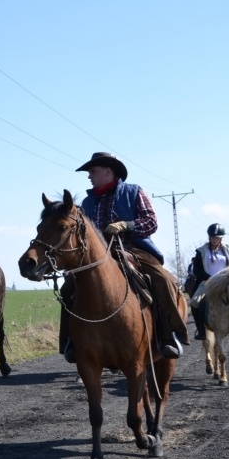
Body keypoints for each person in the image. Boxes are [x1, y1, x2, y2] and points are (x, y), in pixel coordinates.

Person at [58, 152, 189, 362]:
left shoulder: (133, 191)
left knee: (163, 280)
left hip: (134, 249)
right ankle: (70, 341)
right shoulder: (87, 203)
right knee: (68, 289)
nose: (89, 176)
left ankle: (169, 335)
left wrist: (126, 225)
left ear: (108, 171)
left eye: (93, 171)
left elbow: (151, 222)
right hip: (98, 257)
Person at [190, 223, 229, 340]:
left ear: (221, 238)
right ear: (209, 237)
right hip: (208, 282)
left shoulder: (228, 249)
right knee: (195, 302)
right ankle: (201, 331)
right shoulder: (201, 251)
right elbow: (196, 269)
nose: (215, 240)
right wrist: (209, 278)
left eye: (217, 238)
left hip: (227, 282)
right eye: (213, 237)